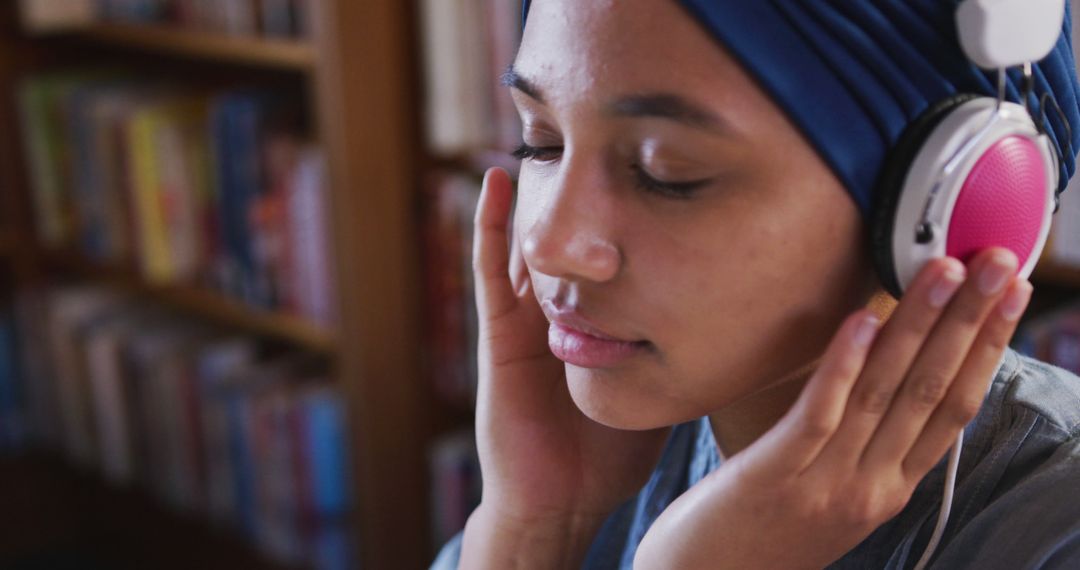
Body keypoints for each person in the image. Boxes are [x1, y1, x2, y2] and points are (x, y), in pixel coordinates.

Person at [432, 1, 1080, 568]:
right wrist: (531, 529)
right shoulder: (608, 453)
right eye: (541, 144)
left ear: (963, 206)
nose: (547, 245)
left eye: (667, 172)